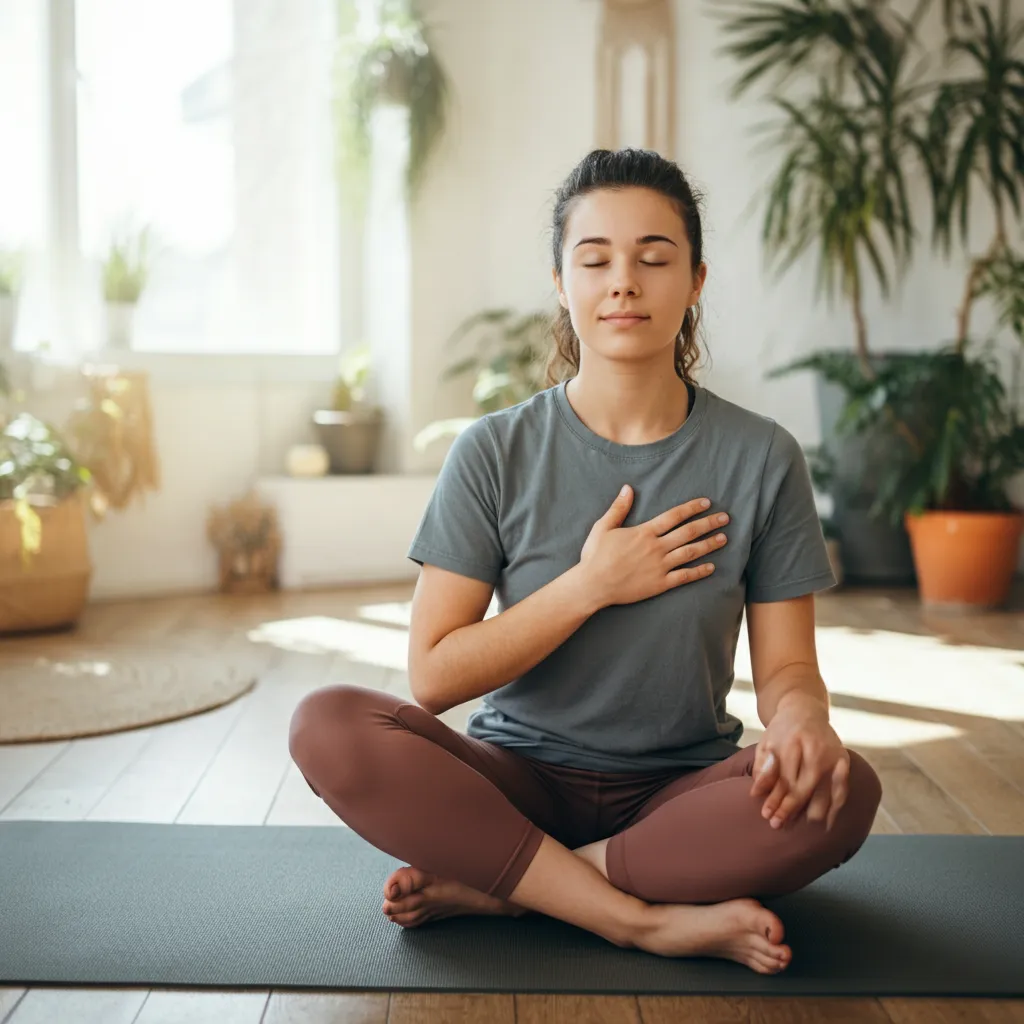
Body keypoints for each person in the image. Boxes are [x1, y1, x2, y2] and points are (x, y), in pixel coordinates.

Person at [289, 148, 882, 975]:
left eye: (654, 257)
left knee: (845, 790)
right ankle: (637, 920)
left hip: (676, 792)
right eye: (595, 259)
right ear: (562, 284)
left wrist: (804, 721)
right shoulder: (494, 451)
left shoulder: (762, 456)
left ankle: (514, 889)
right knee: (328, 724)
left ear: (697, 280)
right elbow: (433, 676)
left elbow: (786, 668)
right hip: (515, 785)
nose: (624, 282)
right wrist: (591, 585)